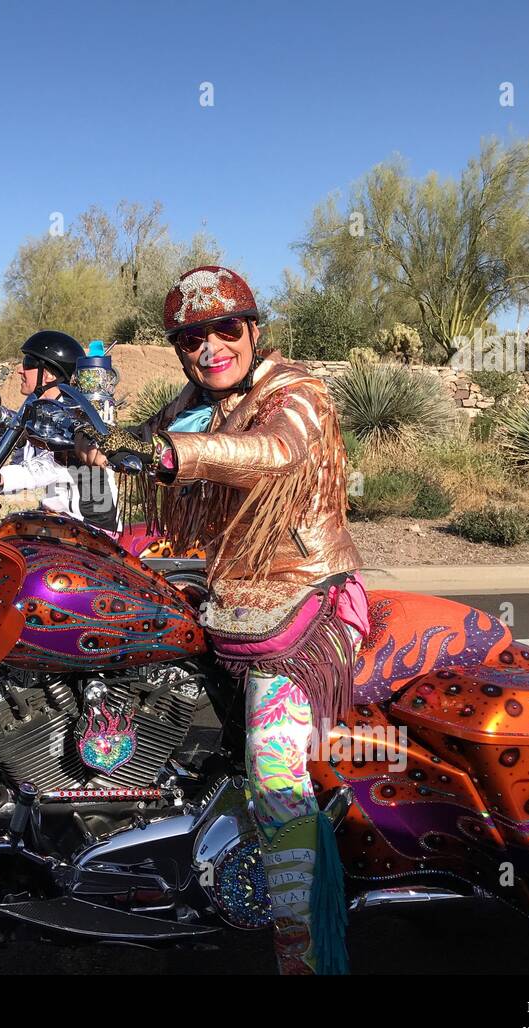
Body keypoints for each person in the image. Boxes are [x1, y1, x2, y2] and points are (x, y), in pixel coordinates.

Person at [77, 266, 367, 974]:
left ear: (253, 330)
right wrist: (75, 435)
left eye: (225, 329)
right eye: (190, 338)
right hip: (228, 595)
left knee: (273, 771)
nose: (209, 348)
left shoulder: (296, 392)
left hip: (303, 606)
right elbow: (131, 448)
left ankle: (301, 953)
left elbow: (273, 453)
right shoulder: (192, 404)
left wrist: (171, 454)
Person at [0, 330, 118, 532]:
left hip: (89, 533)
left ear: (49, 374)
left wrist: (1, 478)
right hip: (59, 522)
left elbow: (48, 466)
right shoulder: (40, 409)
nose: (20, 370)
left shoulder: (75, 417)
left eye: (27, 362)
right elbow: (23, 457)